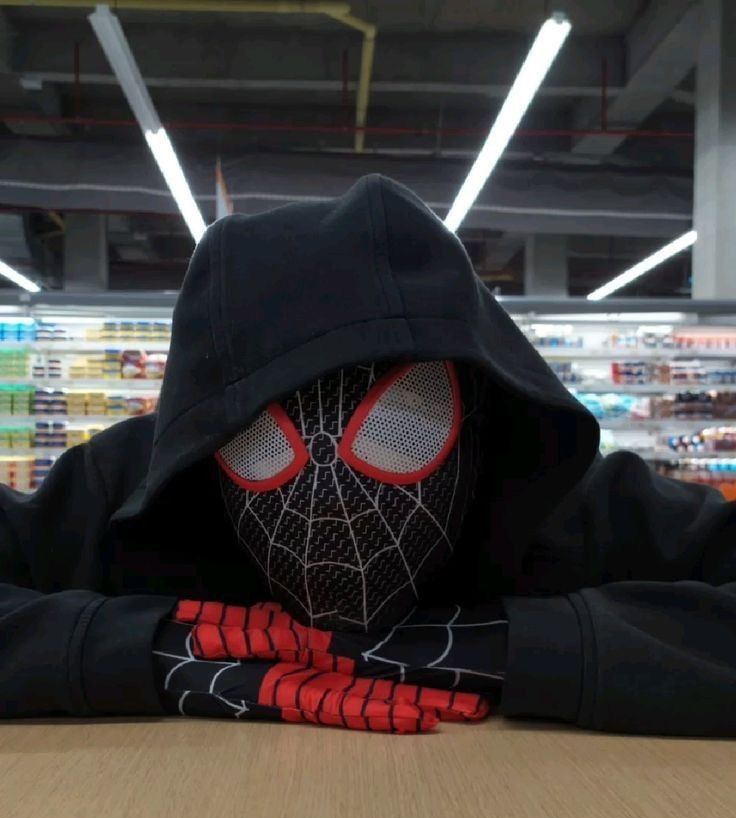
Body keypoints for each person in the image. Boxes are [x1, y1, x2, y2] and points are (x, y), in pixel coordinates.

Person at [2, 175, 735, 735]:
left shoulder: (561, 505)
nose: (332, 499)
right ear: (208, 437)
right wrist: (151, 651)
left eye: (402, 425)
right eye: (264, 440)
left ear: (480, 414)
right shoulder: (135, 493)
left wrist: (520, 646)